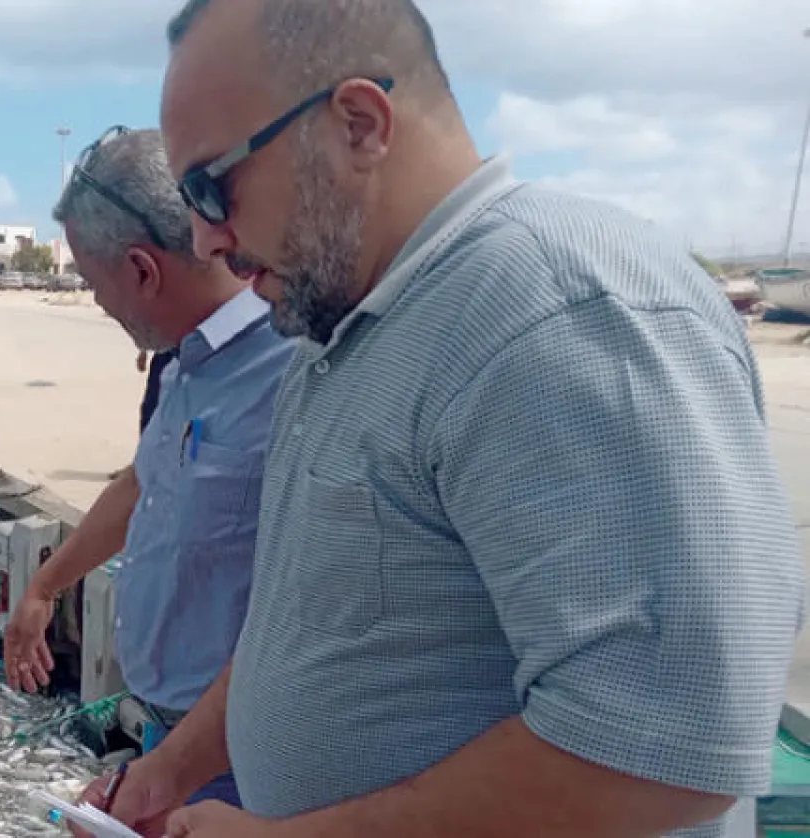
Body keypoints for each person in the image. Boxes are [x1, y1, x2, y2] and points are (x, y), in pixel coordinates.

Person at [126, 1, 807, 837]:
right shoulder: (339, 329)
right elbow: (307, 626)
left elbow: (663, 752)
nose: (203, 239)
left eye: (208, 185)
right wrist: (174, 768)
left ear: (359, 126)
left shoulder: (555, 308)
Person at [3, 126, 294, 832]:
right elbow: (145, 483)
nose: (96, 303)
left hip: (251, 762)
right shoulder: (181, 363)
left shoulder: (295, 369)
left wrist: (163, 778)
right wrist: (47, 584)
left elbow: (302, 620)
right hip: (173, 739)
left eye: (92, 281)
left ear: (141, 269)